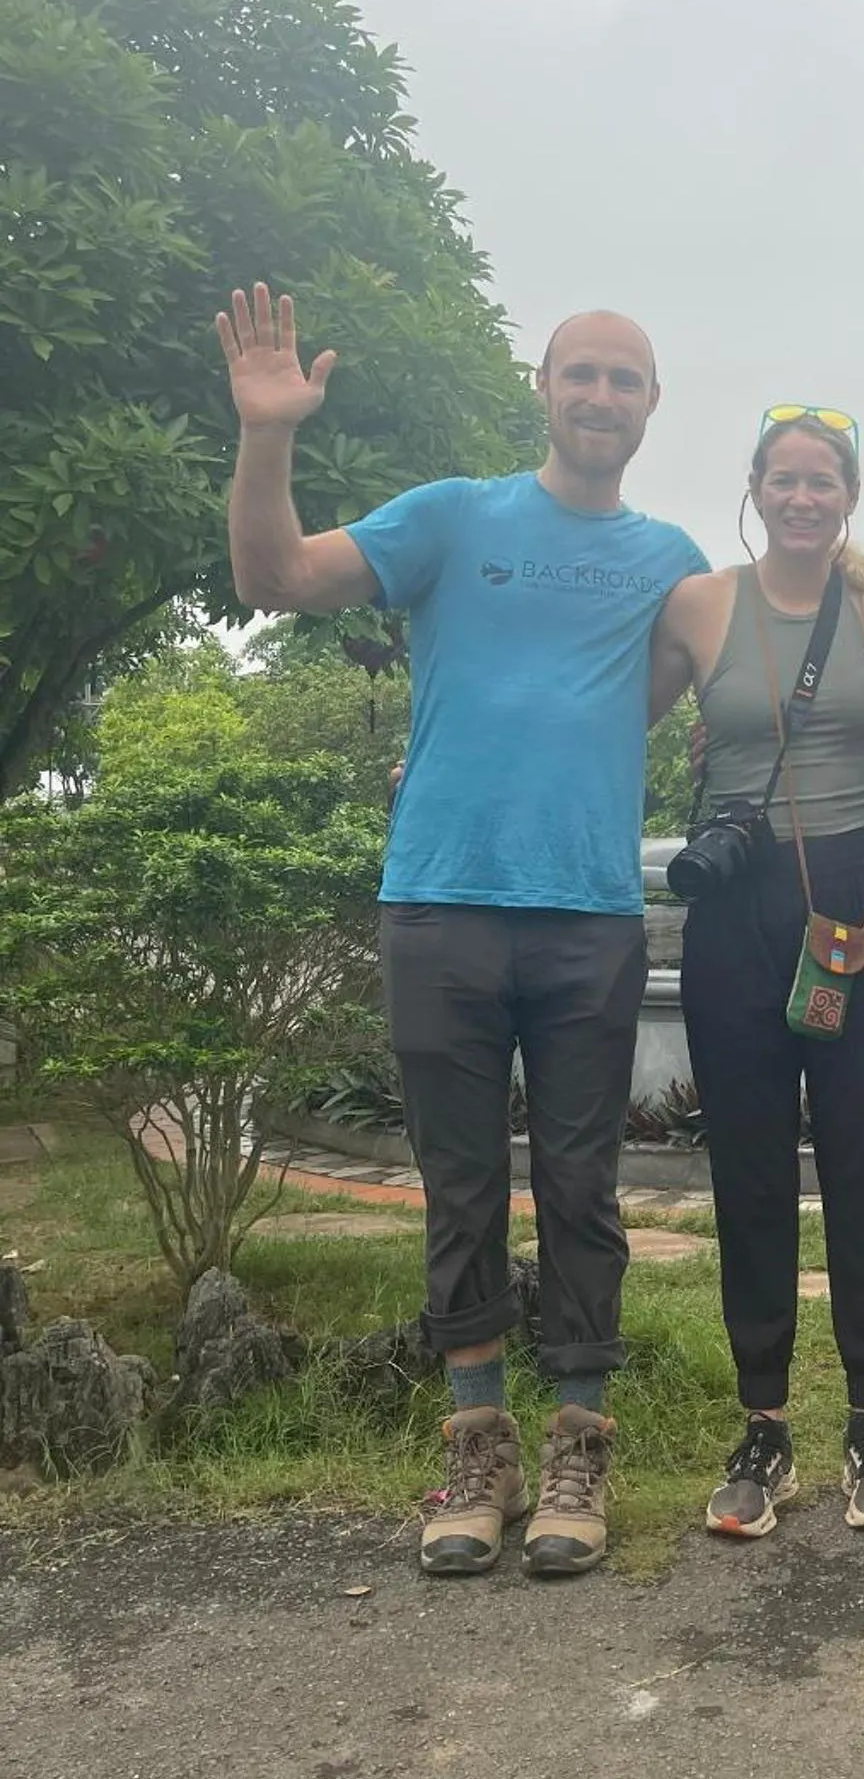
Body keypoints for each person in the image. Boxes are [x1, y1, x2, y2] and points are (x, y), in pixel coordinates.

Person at [218, 285, 705, 1580]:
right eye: (582, 373)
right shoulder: (450, 517)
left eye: (627, 380)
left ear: (653, 410)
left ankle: (581, 1447)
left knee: (586, 1189)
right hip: (438, 906)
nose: (602, 397)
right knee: (461, 1183)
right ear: (543, 388)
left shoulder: (669, 559)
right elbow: (271, 575)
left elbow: (716, 672)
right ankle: (477, 1440)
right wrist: (269, 434)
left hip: (587, 918)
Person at [647, 406, 864, 1539]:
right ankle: (763, 1427)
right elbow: (624, 714)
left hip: (851, 905)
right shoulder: (698, 604)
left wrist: (850, 792)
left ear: (849, 494)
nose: (804, 497)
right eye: (786, 479)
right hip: (736, 908)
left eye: (825, 481)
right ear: (756, 486)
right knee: (753, 1174)